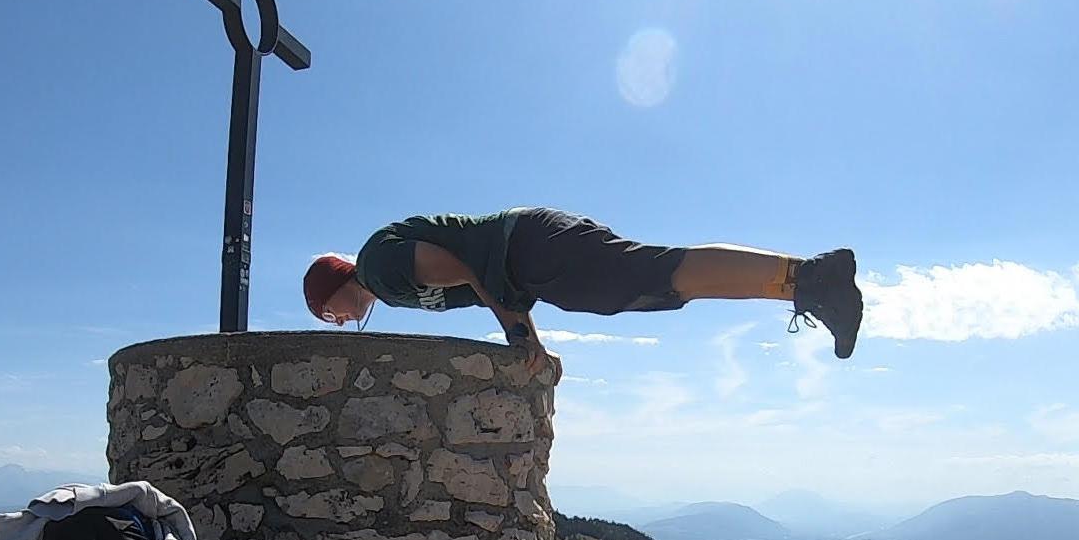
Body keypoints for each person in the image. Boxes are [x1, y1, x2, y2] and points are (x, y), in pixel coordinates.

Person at [302, 207, 863, 376]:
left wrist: (522, 339)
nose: (342, 323)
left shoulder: (377, 267)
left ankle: (813, 278)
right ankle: (805, 282)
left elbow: (469, 265)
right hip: (533, 252)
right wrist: (528, 339)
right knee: (651, 284)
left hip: (531, 246)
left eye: (329, 315)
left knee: (655, 276)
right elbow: (491, 283)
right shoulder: (384, 279)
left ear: (335, 289)